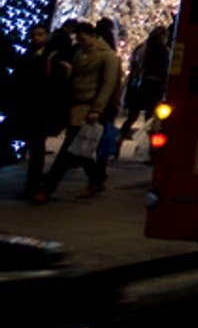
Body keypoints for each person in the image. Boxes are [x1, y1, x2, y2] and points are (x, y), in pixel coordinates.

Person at [31, 22, 122, 203]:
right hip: (77, 104)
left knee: (69, 147)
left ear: (92, 36)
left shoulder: (108, 57)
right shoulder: (81, 52)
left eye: (83, 39)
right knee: (80, 148)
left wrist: (97, 109)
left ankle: (48, 187)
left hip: (89, 107)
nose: (81, 42)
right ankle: (96, 180)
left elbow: (108, 84)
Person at [3, 24, 55, 196]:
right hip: (26, 108)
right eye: (34, 35)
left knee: (37, 148)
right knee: (33, 146)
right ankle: (33, 184)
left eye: (40, 34)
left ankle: (34, 185)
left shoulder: (51, 56)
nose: (37, 38)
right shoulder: (28, 54)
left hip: (41, 109)